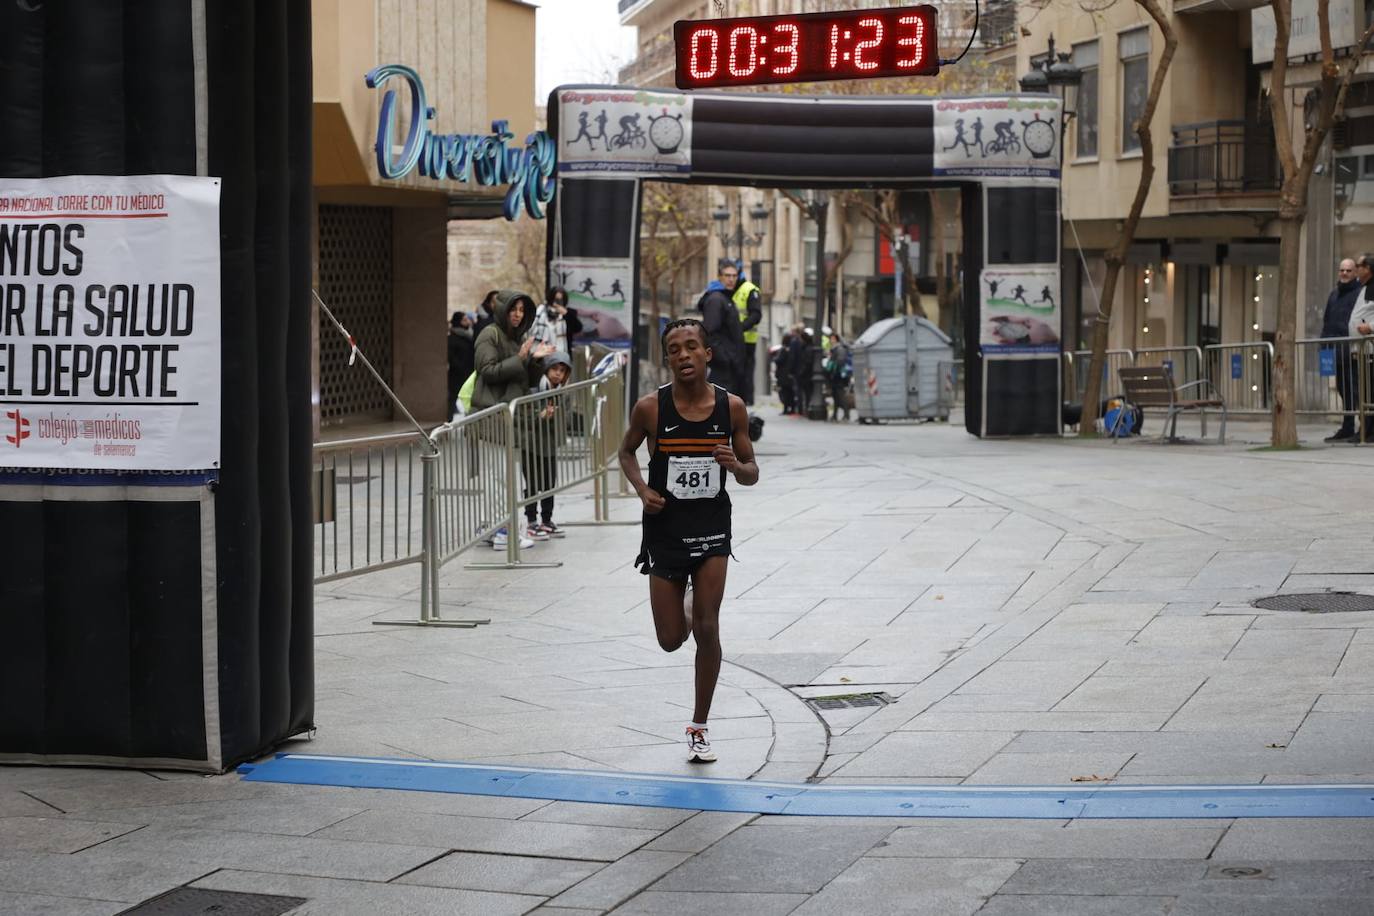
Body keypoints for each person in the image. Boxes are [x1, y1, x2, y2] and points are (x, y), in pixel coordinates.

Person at [618, 318, 759, 763]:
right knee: (670, 639)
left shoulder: (731, 408)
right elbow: (625, 451)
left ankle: (699, 725)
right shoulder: (650, 409)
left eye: (691, 346)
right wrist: (643, 491)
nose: (683, 355)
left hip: (713, 526)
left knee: (708, 626)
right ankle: (684, 601)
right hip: (666, 530)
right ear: (668, 359)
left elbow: (752, 472)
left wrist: (735, 466)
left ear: (707, 354)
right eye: (674, 349)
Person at [473, 289, 554, 549]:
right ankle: (502, 532)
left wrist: (534, 359)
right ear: (503, 310)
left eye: (522, 310)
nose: (518, 315)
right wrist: (520, 358)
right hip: (493, 415)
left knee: (502, 476)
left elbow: (525, 379)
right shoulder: (490, 334)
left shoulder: (518, 338)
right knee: (500, 477)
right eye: (513, 309)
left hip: (509, 417)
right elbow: (487, 371)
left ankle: (493, 527)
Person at [519, 351, 573, 541]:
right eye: (554, 369)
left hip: (549, 444)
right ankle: (532, 521)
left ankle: (547, 520)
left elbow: (566, 418)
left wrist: (554, 416)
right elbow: (523, 416)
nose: (558, 374)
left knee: (549, 483)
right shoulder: (535, 390)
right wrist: (540, 416)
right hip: (531, 444)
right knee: (532, 483)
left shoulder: (562, 394)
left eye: (562, 370)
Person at [1322, 258, 1362, 441]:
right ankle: (1347, 426)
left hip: (1352, 350)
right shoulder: (1334, 294)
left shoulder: (1360, 293)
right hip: (1336, 350)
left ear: (1355, 273)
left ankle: (1363, 427)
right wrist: (1324, 345)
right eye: (1342, 270)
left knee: (1356, 389)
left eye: (1348, 270)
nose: (1344, 273)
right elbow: (1327, 320)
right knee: (1342, 388)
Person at [696, 259, 745, 394]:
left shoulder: (725, 298)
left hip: (730, 368)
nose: (731, 279)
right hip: (722, 370)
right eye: (727, 275)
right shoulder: (716, 299)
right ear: (720, 277)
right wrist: (726, 359)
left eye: (734, 276)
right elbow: (710, 332)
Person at [728, 261, 763, 405]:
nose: (730, 279)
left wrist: (739, 329)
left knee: (746, 371)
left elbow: (756, 315)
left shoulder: (750, 290)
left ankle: (747, 399)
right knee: (736, 371)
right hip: (735, 339)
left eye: (733, 275)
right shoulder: (731, 290)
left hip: (747, 339)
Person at [530, 285, 583, 354]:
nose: (556, 303)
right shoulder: (541, 312)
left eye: (559, 300)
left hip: (562, 355)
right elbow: (531, 331)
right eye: (554, 300)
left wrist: (566, 314)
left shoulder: (568, 314)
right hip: (543, 354)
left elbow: (578, 328)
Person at [447, 311, 475, 421]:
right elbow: (452, 358)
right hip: (457, 376)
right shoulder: (452, 339)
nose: (467, 322)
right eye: (464, 320)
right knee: (452, 400)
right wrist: (461, 368)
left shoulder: (469, 337)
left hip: (469, 375)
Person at [825, 330, 852, 422]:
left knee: (840, 395)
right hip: (836, 375)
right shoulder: (834, 349)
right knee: (836, 395)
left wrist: (833, 368)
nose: (831, 340)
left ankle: (846, 415)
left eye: (832, 338)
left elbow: (840, 361)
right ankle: (835, 415)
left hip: (838, 375)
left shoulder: (839, 349)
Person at [790, 326, 815, 417]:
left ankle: (804, 410)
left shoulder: (805, 348)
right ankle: (804, 409)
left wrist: (800, 372)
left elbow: (806, 362)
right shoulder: (805, 347)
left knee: (804, 393)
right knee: (805, 393)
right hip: (805, 374)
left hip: (805, 375)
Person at [774, 331, 795, 415]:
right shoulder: (791, 349)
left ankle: (786, 409)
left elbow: (779, 360)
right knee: (790, 392)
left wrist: (775, 358)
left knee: (784, 392)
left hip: (783, 374)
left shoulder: (783, 350)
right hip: (789, 374)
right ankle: (792, 408)